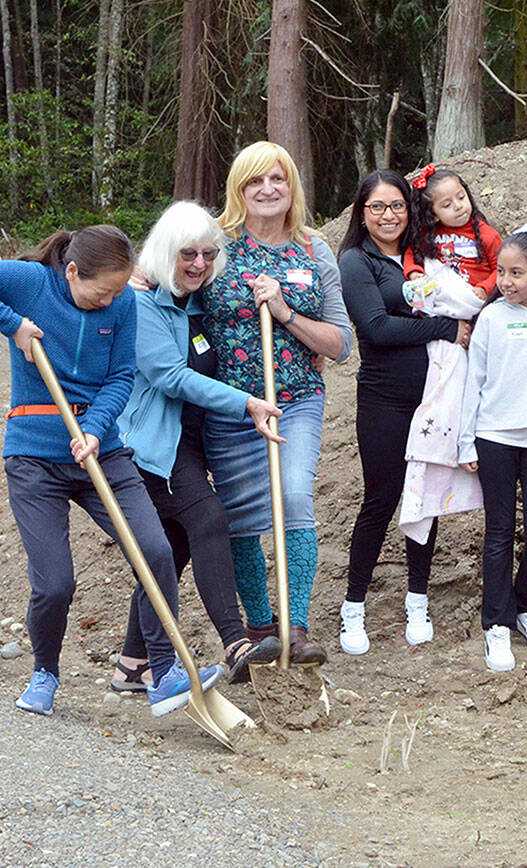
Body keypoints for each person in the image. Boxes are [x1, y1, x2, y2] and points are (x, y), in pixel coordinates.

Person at [1, 226, 223, 717]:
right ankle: (45, 672)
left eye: (119, 292)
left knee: (156, 551)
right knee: (55, 582)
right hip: (35, 456)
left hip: (101, 450)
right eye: (102, 292)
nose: (110, 302)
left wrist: (98, 429)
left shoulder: (122, 304)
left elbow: (122, 374)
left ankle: (162, 673)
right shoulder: (31, 283)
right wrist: (11, 323)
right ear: (73, 272)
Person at [111, 202, 286, 691]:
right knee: (208, 520)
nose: (199, 264)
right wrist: (247, 403)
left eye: (209, 254)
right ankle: (236, 643)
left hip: (186, 445)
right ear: (167, 251)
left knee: (172, 550)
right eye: (188, 254)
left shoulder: (197, 300)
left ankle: (132, 664)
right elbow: (169, 376)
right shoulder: (141, 303)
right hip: (148, 449)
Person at [203, 141, 353, 665]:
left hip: (296, 401)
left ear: (292, 186)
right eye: (254, 182)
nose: (267, 190)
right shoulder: (214, 246)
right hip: (233, 405)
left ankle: (297, 625)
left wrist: (286, 312)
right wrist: (139, 274)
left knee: (293, 499)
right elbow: (167, 286)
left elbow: (340, 343)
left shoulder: (314, 249)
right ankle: (260, 626)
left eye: (277, 179)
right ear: (238, 191)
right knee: (241, 515)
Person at [337, 170, 470, 655]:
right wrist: (444, 327)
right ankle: (353, 607)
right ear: (362, 213)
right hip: (384, 400)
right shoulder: (355, 260)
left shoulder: (428, 253)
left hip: (436, 396)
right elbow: (375, 327)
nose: (388, 216)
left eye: (396, 206)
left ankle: (418, 599)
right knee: (382, 498)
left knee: (426, 498)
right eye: (377, 207)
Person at [458, 228, 527, 671]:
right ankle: (496, 623)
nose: (506, 281)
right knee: (499, 529)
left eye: (517, 273)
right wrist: (466, 438)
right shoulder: (492, 318)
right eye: (501, 271)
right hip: (494, 436)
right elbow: (474, 380)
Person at [405, 164, 502, 296]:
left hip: (478, 298)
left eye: (461, 197)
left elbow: (502, 269)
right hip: (444, 297)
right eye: (447, 205)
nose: (458, 206)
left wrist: (484, 288)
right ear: (433, 215)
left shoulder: (487, 234)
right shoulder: (428, 235)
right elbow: (411, 251)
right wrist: (414, 272)